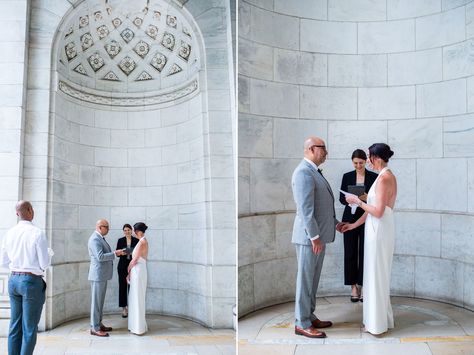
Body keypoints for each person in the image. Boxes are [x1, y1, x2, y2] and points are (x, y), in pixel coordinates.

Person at [291, 136, 345, 338]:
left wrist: (336, 223)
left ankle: (309, 315)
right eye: (323, 148)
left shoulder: (313, 171)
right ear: (312, 149)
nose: (326, 152)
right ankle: (301, 323)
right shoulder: (303, 172)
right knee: (305, 281)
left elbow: (322, 207)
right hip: (308, 238)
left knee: (312, 280)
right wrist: (314, 237)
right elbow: (306, 210)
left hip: (318, 236)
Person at [343, 143, 397, 335]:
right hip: (376, 228)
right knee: (374, 274)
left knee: (376, 276)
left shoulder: (384, 178)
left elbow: (378, 211)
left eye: (369, 158)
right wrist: (353, 225)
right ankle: (378, 320)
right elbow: (372, 210)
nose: (368, 161)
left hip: (379, 230)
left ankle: (376, 324)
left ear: (377, 158)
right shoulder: (384, 176)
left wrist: (358, 201)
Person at [0, 201, 51, 355]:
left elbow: (3, 262)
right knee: (29, 328)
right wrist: (48, 254)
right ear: (30, 211)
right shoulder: (37, 233)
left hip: (13, 280)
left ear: (17, 214)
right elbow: (44, 263)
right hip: (30, 281)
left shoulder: (9, 233)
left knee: (15, 325)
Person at [339, 149, 378, 302]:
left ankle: (362, 285)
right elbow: (341, 199)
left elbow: (375, 199)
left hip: (367, 217)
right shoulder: (347, 176)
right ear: (352, 162)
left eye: (361, 163)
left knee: (365, 251)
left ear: (365, 162)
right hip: (349, 217)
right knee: (349, 251)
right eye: (355, 163)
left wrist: (365, 198)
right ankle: (353, 286)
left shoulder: (374, 177)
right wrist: (348, 199)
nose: (358, 166)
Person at [88, 219, 124, 337]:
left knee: (100, 302)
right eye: (106, 227)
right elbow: (100, 257)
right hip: (98, 275)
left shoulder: (100, 238)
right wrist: (115, 254)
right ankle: (94, 327)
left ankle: (98, 323)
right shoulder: (94, 239)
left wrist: (114, 253)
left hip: (101, 275)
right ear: (99, 227)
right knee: (96, 303)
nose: (108, 229)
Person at [127, 222, 149, 335]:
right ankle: (137, 326)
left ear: (137, 231)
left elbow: (134, 260)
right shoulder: (143, 241)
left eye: (134, 231)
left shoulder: (142, 241)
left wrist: (128, 270)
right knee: (137, 297)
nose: (134, 233)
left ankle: (138, 327)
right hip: (139, 270)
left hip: (138, 271)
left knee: (137, 297)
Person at [116, 224, 139, 318]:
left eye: (128, 230)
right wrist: (129, 251)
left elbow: (137, 252)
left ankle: (132, 307)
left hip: (133, 266)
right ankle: (124, 309)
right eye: (125, 230)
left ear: (131, 230)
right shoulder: (120, 240)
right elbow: (117, 254)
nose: (127, 232)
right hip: (122, 266)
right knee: (122, 287)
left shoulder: (136, 240)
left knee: (132, 287)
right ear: (123, 231)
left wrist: (124, 251)